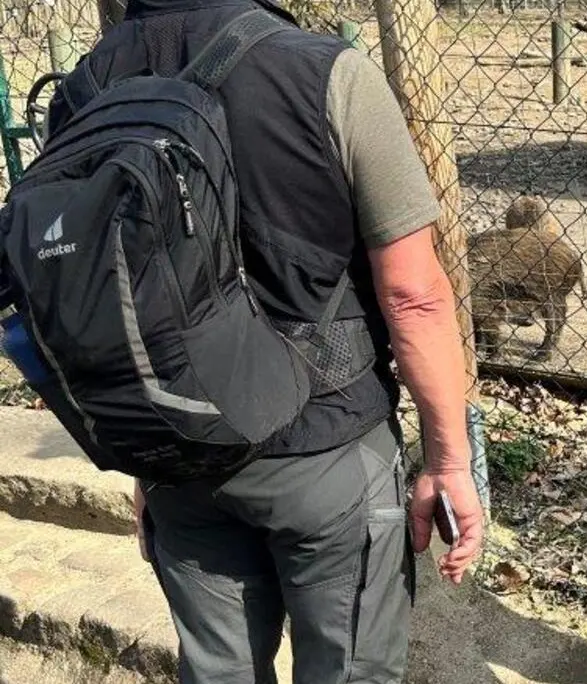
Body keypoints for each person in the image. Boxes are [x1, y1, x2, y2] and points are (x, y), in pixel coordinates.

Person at [43, 1, 484, 682]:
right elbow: (414, 296)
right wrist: (450, 462)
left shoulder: (82, 92)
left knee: (218, 673)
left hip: (177, 454)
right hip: (327, 452)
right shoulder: (329, 75)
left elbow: (108, 290)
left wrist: (142, 451)